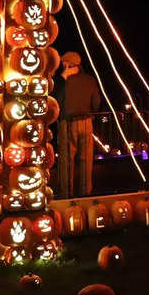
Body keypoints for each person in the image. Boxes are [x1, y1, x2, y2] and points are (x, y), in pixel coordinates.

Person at [58, 51, 100, 197]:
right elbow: (96, 103)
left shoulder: (64, 81)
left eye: (63, 63)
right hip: (87, 122)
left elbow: (57, 100)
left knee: (67, 161)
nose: (62, 65)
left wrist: (63, 79)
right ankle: (86, 192)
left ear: (68, 64)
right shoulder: (90, 80)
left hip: (67, 123)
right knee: (86, 160)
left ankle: (67, 193)